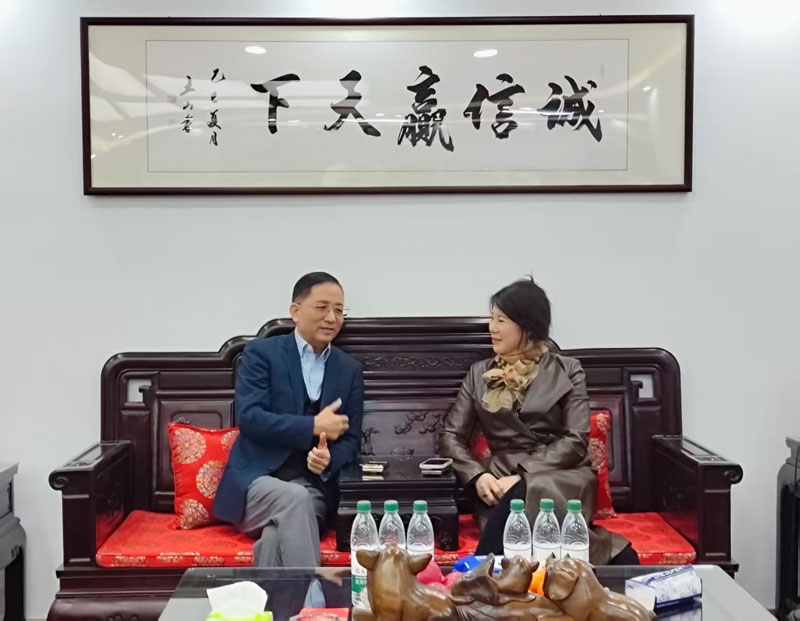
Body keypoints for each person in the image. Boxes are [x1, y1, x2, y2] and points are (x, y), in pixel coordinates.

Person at [438, 277, 634, 565]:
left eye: (501, 320)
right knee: (516, 499)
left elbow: (575, 440)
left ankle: (480, 571)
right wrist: (477, 476)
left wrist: (524, 476)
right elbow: (451, 435)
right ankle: (615, 557)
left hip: (562, 475)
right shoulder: (479, 374)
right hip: (500, 479)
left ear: (527, 326)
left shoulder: (568, 370)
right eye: (492, 319)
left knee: (527, 492)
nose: (492, 328)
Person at [213, 272, 364, 571]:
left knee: (275, 538)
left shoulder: (349, 369)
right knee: (294, 499)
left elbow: (352, 440)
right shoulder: (262, 354)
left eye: (339, 310)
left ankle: (275, 601)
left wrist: (328, 459)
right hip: (255, 483)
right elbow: (250, 418)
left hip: (313, 489)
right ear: (295, 311)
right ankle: (313, 598)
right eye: (322, 307)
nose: (332, 318)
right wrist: (313, 426)